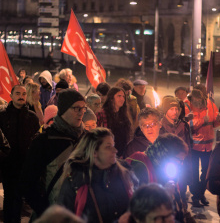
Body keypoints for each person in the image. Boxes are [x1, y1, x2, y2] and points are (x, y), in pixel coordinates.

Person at [20, 89, 86, 219]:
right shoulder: (44, 141)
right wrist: (45, 211)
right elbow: (27, 183)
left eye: (83, 108)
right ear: (63, 110)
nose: (81, 113)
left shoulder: (88, 139)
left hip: (82, 215)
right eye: (76, 108)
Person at [58, 128, 137, 223]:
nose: (115, 150)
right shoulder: (75, 182)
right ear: (94, 152)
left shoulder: (124, 174)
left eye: (113, 145)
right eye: (108, 147)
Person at [126, 133, 188, 223]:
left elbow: (176, 198)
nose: (181, 164)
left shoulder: (164, 166)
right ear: (165, 154)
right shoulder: (140, 167)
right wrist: (164, 194)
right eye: (179, 160)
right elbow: (138, 207)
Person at [0, 84, 40, 223]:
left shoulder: (32, 117)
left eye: (23, 94)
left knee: (18, 197)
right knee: (9, 195)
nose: (21, 96)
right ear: (11, 96)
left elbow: (36, 141)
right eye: (18, 93)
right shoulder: (2, 116)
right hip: (7, 164)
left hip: (24, 164)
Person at [185, 89, 220, 207]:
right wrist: (201, 121)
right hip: (194, 146)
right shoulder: (187, 104)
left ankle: (201, 194)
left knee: (206, 173)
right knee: (194, 173)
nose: (200, 104)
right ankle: (195, 196)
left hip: (208, 145)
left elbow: (214, 124)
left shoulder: (210, 104)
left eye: (202, 101)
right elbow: (188, 124)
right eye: (197, 102)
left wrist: (217, 120)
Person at [161, 96, 193, 208]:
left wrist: (189, 165)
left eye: (176, 109)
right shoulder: (160, 126)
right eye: (171, 109)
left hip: (182, 166)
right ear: (165, 110)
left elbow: (188, 146)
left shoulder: (183, 125)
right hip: (165, 167)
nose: (175, 112)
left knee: (181, 194)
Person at [96, 87, 132, 157]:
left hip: (122, 154)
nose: (122, 99)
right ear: (111, 98)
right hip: (106, 154)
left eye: (123, 96)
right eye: (119, 96)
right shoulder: (101, 114)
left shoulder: (124, 115)